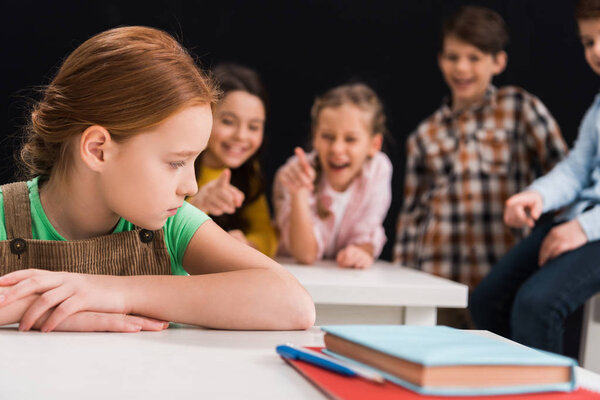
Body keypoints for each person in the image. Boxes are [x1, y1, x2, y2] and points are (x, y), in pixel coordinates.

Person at [0, 26, 315, 333]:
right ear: (97, 150)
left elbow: (294, 304)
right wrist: (39, 306)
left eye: (194, 161)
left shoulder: (174, 226)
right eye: (176, 162)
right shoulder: (4, 213)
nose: (190, 187)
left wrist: (116, 292)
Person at [394, 5, 568, 293]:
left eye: (474, 58)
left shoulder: (519, 108)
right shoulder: (424, 135)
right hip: (437, 278)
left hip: (501, 277)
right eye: (453, 57)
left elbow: (563, 175)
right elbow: (412, 218)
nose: (461, 67)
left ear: (498, 62)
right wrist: (403, 283)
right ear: (440, 60)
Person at [470, 0, 600, 356]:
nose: (597, 50)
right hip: (576, 217)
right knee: (487, 300)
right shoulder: (598, 106)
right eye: (589, 42)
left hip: (593, 229)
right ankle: (510, 384)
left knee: (536, 304)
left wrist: (583, 229)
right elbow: (576, 169)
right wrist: (537, 196)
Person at [273, 83, 392, 269]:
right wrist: (299, 195)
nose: (337, 148)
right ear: (315, 137)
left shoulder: (378, 170)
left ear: (374, 145)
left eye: (350, 139)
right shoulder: (294, 174)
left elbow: (367, 232)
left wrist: (362, 251)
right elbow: (304, 255)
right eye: (327, 136)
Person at [187, 63, 277, 257]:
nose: (241, 136)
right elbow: (158, 236)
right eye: (228, 122)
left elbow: (266, 234)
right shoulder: (178, 164)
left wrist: (246, 244)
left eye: (253, 127)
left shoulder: (248, 173)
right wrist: (198, 205)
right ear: (206, 116)